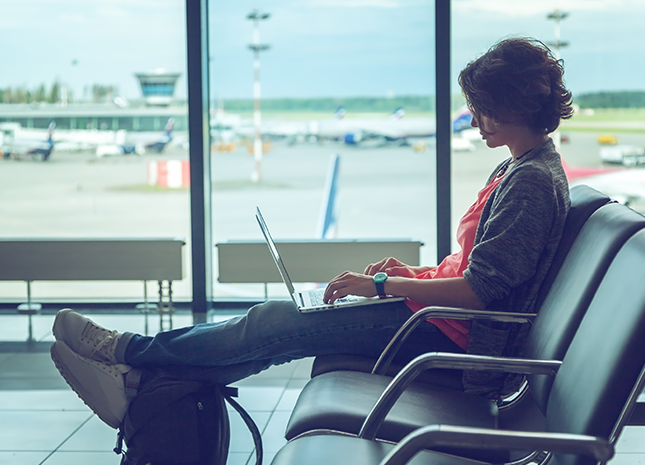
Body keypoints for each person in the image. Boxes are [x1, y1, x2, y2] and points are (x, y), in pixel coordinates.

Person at [50, 37, 573, 429]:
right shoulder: (517, 167)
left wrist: (386, 288)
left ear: (516, 105)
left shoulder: (530, 182)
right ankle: (141, 381)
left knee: (279, 324)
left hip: (446, 335)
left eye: (483, 107)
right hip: (437, 320)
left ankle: (124, 351)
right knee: (275, 328)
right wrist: (410, 273)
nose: (475, 118)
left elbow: (482, 292)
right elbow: (474, 269)